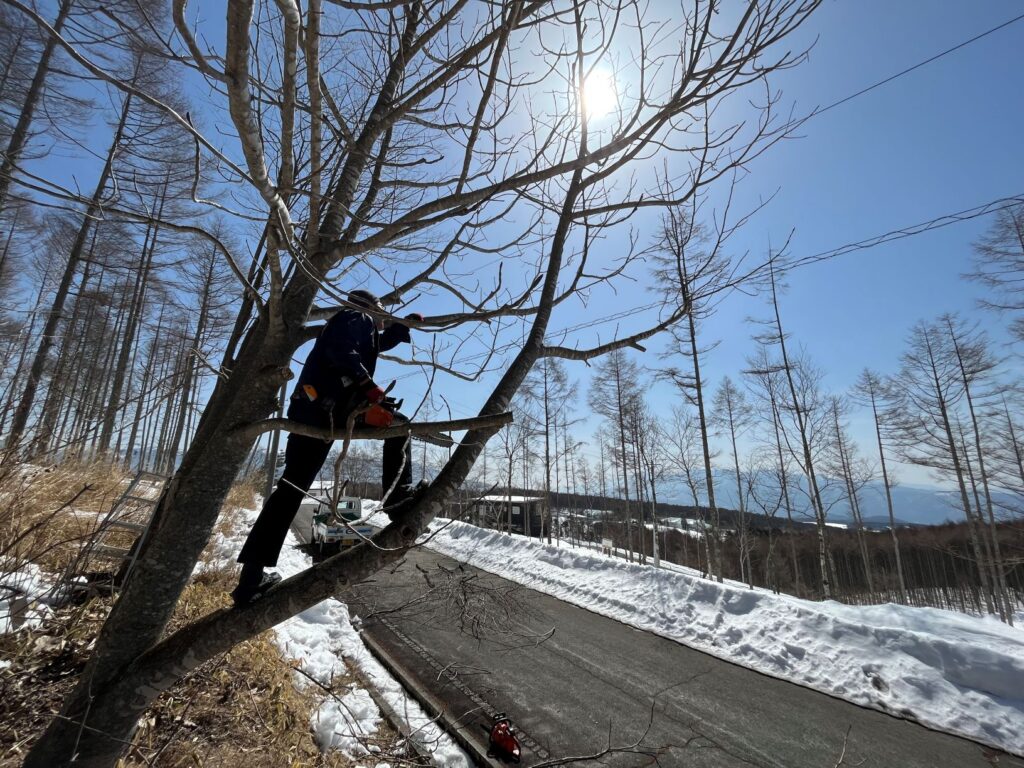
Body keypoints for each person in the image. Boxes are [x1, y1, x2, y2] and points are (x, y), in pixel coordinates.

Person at [232, 289, 424, 607]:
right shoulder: (354, 317)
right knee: (398, 425)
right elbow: (343, 351)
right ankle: (399, 500)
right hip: (329, 409)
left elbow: (376, 343)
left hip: (316, 413)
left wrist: (403, 327)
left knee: (290, 491)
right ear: (371, 309)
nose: (381, 322)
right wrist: (369, 387)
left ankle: (250, 580)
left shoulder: (355, 326)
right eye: (382, 316)